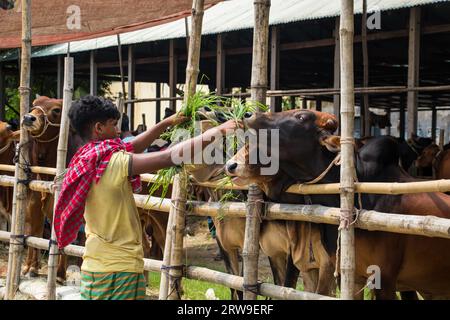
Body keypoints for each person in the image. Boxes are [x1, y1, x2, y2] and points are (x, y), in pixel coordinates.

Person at [54, 95, 239, 300]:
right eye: (113, 125)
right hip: (120, 268)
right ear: (98, 128)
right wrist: (216, 132)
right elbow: (169, 157)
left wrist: (167, 122)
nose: (118, 131)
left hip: (94, 264)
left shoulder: (85, 159)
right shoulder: (112, 162)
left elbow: (132, 146)